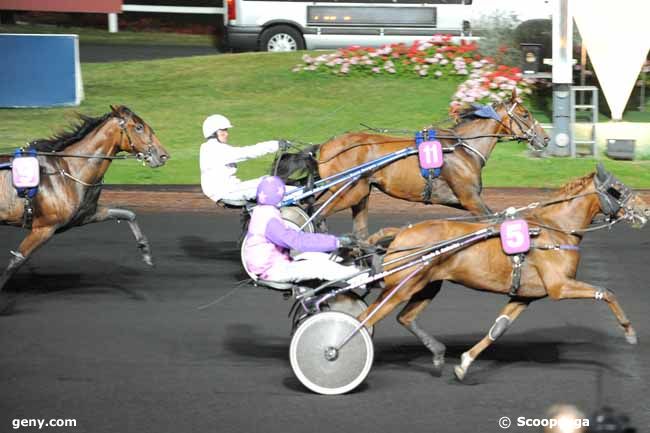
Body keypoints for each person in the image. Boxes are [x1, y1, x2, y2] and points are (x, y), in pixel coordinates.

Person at [243, 176, 366, 284]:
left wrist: (334, 242)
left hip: (275, 263)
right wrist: (336, 242)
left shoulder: (262, 211)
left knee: (321, 257)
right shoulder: (269, 218)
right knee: (324, 268)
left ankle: (355, 272)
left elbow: (293, 236)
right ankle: (362, 277)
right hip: (272, 270)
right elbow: (297, 241)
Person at [199, 114, 281, 203]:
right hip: (226, 191)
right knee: (279, 187)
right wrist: (275, 144)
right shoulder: (215, 149)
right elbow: (248, 152)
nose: (226, 134)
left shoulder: (209, 147)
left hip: (230, 188)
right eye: (223, 130)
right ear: (213, 133)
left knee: (268, 179)